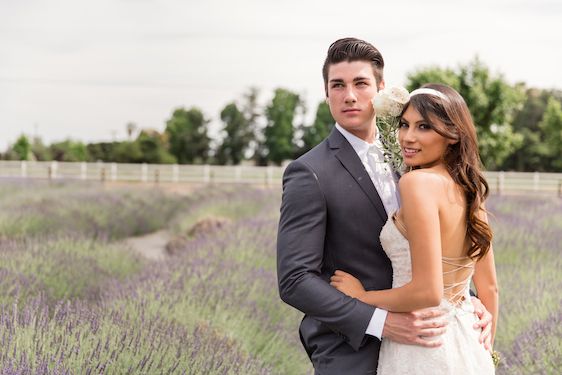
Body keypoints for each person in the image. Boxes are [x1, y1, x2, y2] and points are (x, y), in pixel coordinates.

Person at [276, 37, 493, 374]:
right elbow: (294, 279)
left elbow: (444, 242)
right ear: (326, 92)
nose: (349, 95)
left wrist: (467, 300)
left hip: (432, 341)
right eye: (338, 85)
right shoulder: (310, 173)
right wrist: (380, 321)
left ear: (380, 88)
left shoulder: (413, 157)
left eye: (360, 83)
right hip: (353, 349)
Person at [330, 83, 498, 374]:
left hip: (423, 346)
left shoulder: (416, 183)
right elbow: (490, 288)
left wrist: (360, 298)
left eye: (424, 127)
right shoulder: (471, 191)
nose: (408, 137)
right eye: (404, 125)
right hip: (470, 348)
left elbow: (428, 292)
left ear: (454, 135)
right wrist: (484, 350)